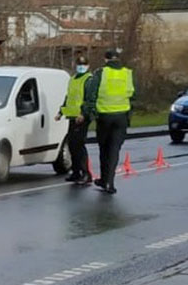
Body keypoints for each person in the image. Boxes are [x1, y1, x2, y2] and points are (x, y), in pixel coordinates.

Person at [82, 48, 134, 195]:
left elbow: (91, 94)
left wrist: (90, 112)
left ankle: (105, 179)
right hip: (122, 117)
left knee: (104, 148)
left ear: (106, 59)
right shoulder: (127, 73)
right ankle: (109, 182)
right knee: (114, 149)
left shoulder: (101, 73)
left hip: (104, 116)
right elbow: (133, 94)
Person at [56, 53, 93, 185]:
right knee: (72, 145)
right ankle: (76, 171)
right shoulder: (73, 79)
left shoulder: (89, 79)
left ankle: (86, 173)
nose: (81, 67)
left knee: (79, 145)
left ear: (88, 66)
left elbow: (89, 99)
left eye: (83, 65)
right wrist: (61, 111)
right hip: (72, 116)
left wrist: (83, 113)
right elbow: (69, 97)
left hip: (82, 117)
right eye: (79, 65)